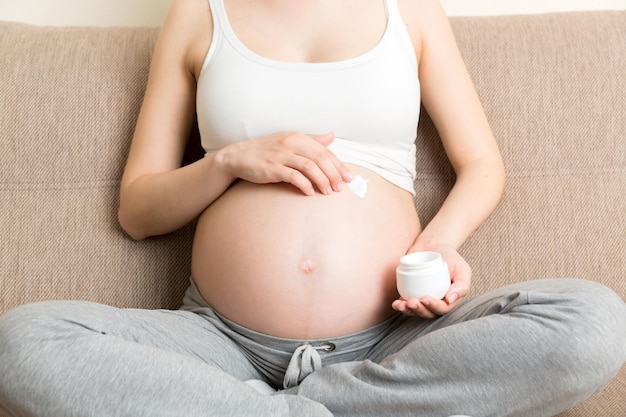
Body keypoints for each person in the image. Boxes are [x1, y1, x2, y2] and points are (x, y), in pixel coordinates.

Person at [0, 0, 624, 415]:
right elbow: (137, 211)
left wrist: (440, 243)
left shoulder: (409, 10)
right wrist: (229, 161)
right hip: (220, 342)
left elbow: (483, 165)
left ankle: (303, 404)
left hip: (393, 340)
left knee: (594, 323)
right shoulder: (198, 14)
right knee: (22, 343)